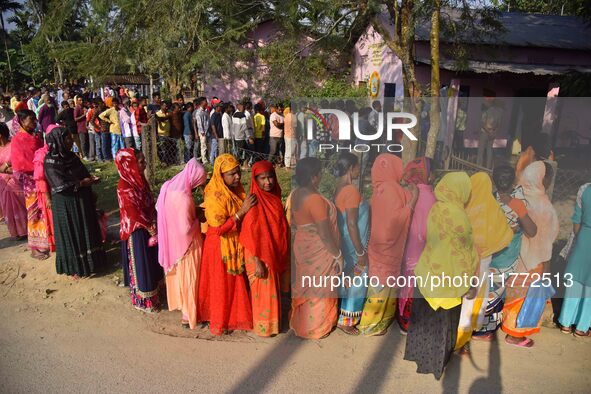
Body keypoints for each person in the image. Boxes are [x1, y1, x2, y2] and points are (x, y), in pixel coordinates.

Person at [404, 172, 479, 380]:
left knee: (425, 320)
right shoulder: (459, 216)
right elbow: (465, 253)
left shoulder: (435, 209)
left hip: (428, 272)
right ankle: (435, 364)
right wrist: (470, 280)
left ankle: (419, 357)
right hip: (449, 280)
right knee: (442, 324)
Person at [474, 165, 538, 338]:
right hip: (506, 257)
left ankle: (474, 325)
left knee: (483, 289)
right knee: (495, 293)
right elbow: (532, 231)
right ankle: (484, 330)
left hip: (486, 254)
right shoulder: (518, 201)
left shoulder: (487, 199)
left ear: (494, 180)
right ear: (514, 180)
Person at [357, 153, 417, 336]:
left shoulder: (379, 188)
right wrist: (413, 200)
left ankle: (378, 322)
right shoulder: (393, 189)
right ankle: (371, 325)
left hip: (377, 244)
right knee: (383, 287)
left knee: (379, 284)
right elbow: (396, 219)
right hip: (388, 246)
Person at [501, 161, 559, 347]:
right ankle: (515, 335)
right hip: (534, 261)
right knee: (525, 298)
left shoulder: (516, 196)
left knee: (512, 294)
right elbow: (545, 239)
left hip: (512, 257)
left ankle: (503, 326)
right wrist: (547, 267)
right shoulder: (544, 205)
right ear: (543, 179)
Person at [198, 154, 256, 335]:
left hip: (235, 241)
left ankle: (233, 317)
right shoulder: (215, 194)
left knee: (235, 283)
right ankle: (220, 320)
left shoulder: (236, 190)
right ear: (220, 175)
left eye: (238, 172)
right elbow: (218, 229)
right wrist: (242, 211)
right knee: (221, 285)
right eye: (232, 174)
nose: (237, 177)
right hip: (219, 246)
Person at [456, 172, 513, 350]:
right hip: (483, 264)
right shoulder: (493, 208)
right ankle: (464, 340)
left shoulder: (463, 207)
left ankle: (456, 338)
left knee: (460, 300)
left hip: (462, 264)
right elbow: (505, 234)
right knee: (473, 302)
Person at [290, 157, 342, 339]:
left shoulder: (296, 194)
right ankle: (316, 326)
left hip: (303, 244)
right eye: (320, 173)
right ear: (314, 177)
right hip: (318, 249)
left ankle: (302, 322)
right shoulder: (315, 200)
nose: (321, 176)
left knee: (306, 283)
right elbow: (325, 233)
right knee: (320, 285)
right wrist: (338, 254)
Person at [43, 126, 104, 277]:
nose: (71, 141)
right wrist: (82, 183)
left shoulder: (72, 157)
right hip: (65, 203)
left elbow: (83, 173)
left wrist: (91, 181)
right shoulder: (50, 161)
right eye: (67, 138)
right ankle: (76, 267)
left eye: (70, 137)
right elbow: (59, 184)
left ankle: (93, 263)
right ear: (58, 141)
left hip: (82, 201)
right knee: (73, 233)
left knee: (86, 230)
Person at [239, 160, 289, 337]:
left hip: (270, 252)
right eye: (263, 178)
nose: (268, 182)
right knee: (263, 293)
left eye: (270, 177)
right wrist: (258, 262)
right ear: (255, 179)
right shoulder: (254, 202)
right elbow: (251, 236)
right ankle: (264, 327)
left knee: (271, 292)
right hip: (258, 255)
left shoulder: (274, 197)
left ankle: (272, 325)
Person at [156, 159, 207, 329]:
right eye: (198, 182)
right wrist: (198, 220)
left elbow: (159, 208)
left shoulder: (167, 186)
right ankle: (189, 315)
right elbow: (186, 229)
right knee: (191, 279)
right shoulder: (185, 197)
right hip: (188, 244)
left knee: (179, 278)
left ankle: (183, 309)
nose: (197, 187)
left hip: (170, 241)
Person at [116, 148, 163, 312]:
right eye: (141, 162)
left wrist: (155, 217)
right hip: (136, 232)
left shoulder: (140, 180)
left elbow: (149, 200)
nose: (144, 165)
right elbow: (133, 213)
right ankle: (144, 302)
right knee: (141, 266)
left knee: (151, 263)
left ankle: (155, 295)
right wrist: (150, 226)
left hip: (149, 227)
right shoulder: (124, 186)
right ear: (130, 164)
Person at [397, 157, 436, 333]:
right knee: (416, 286)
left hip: (406, 247)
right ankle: (410, 322)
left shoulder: (406, 193)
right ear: (427, 174)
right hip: (423, 251)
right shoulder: (432, 197)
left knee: (406, 282)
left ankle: (402, 318)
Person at [333, 153, 369, 335]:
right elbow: (352, 222)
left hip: (344, 242)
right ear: (350, 168)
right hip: (354, 242)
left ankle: (342, 314)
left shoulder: (338, 188)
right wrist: (361, 251)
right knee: (358, 279)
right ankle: (347, 321)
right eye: (357, 167)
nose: (359, 170)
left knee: (347, 278)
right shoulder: (351, 191)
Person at [11, 110, 49, 259]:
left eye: (34, 120)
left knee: (46, 211)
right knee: (34, 213)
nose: (34, 123)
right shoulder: (18, 140)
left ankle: (48, 241)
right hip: (30, 183)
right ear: (21, 121)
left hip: (43, 179)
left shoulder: (36, 136)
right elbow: (20, 165)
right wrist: (38, 167)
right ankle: (34, 248)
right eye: (31, 120)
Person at [559, 182, 591, 337]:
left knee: (576, 281)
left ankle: (565, 323)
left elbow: (577, 220)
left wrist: (581, 238)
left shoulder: (585, 189)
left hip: (584, 236)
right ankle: (582, 327)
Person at [0, 123, 27, 239]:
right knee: (8, 208)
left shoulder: (13, 145)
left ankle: (26, 229)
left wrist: (7, 167)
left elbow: (21, 162)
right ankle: (16, 232)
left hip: (16, 180)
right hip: (3, 183)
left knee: (21, 205)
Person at [476, 95, 503, 168]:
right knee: (489, 151)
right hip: (493, 133)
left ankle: (478, 167)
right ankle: (488, 168)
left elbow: (483, 123)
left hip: (485, 132)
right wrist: (494, 132)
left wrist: (488, 131)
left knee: (481, 151)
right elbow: (499, 125)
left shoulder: (486, 111)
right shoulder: (499, 112)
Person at [193, 97, 210, 165]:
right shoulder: (198, 112)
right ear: (202, 102)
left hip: (207, 131)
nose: (206, 102)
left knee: (207, 146)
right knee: (203, 146)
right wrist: (202, 132)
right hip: (202, 132)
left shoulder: (205, 111)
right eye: (205, 101)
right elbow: (199, 123)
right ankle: (204, 161)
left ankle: (206, 158)